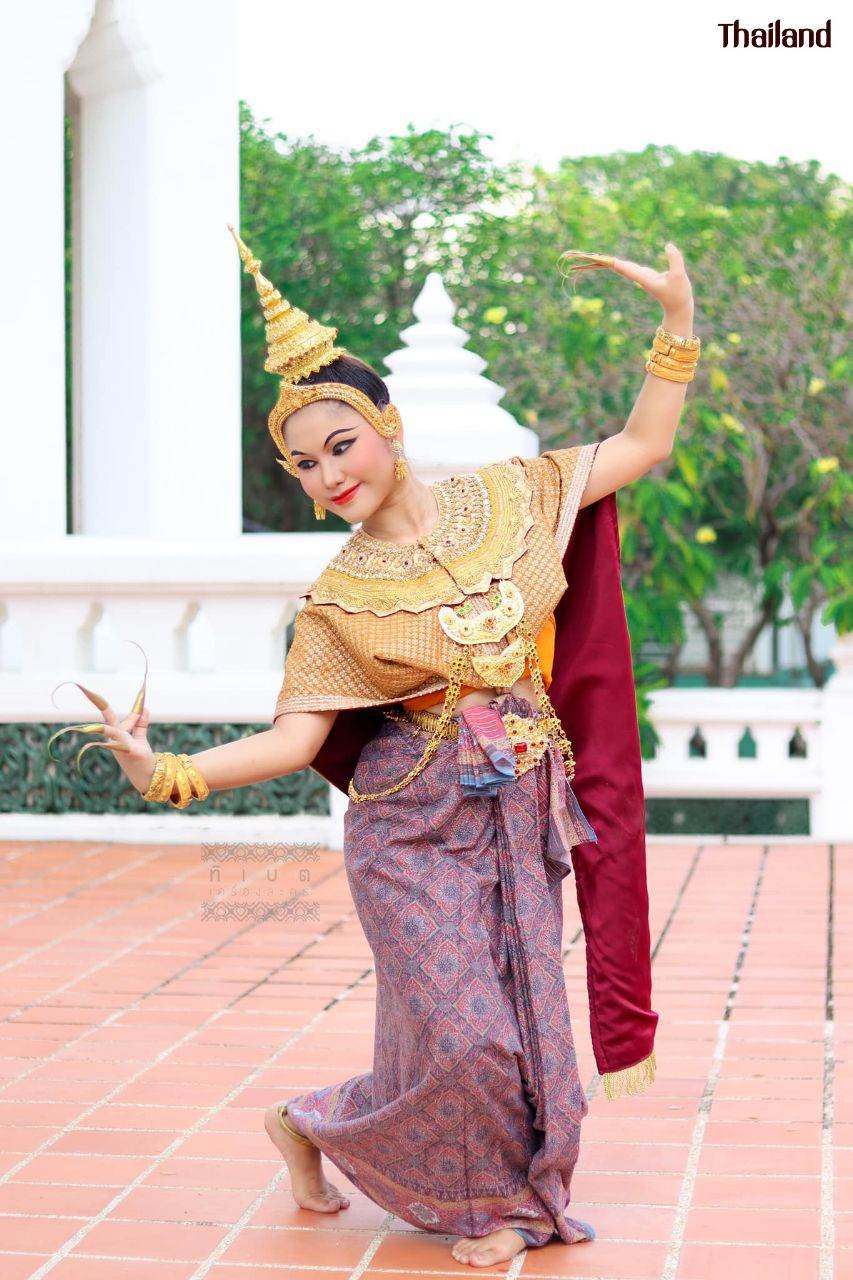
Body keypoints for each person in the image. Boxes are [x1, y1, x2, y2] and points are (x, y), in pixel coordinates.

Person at [51, 229, 698, 1267]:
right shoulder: (340, 600)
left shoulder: (513, 497)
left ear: (386, 425)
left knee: (520, 1030)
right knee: (466, 1033)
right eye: (303, 464)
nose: (324, 474)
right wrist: (165, 768)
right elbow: (295, 736)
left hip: (517, 808)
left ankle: (309, 1123)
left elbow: (641, 446)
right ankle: (483, 1205)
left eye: (338, 446)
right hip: (410, 824)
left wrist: (675, 323)